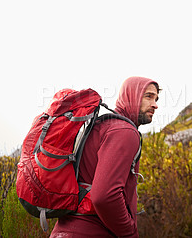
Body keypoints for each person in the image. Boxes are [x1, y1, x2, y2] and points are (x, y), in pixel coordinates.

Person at [51, 76, 160, 238]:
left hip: (64, 230)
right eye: (148, 96)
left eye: (156, 98)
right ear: (131, 95)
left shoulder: (101, 125)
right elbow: (105, 196)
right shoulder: (124, 132)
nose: (155, 105)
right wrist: (130, 233)